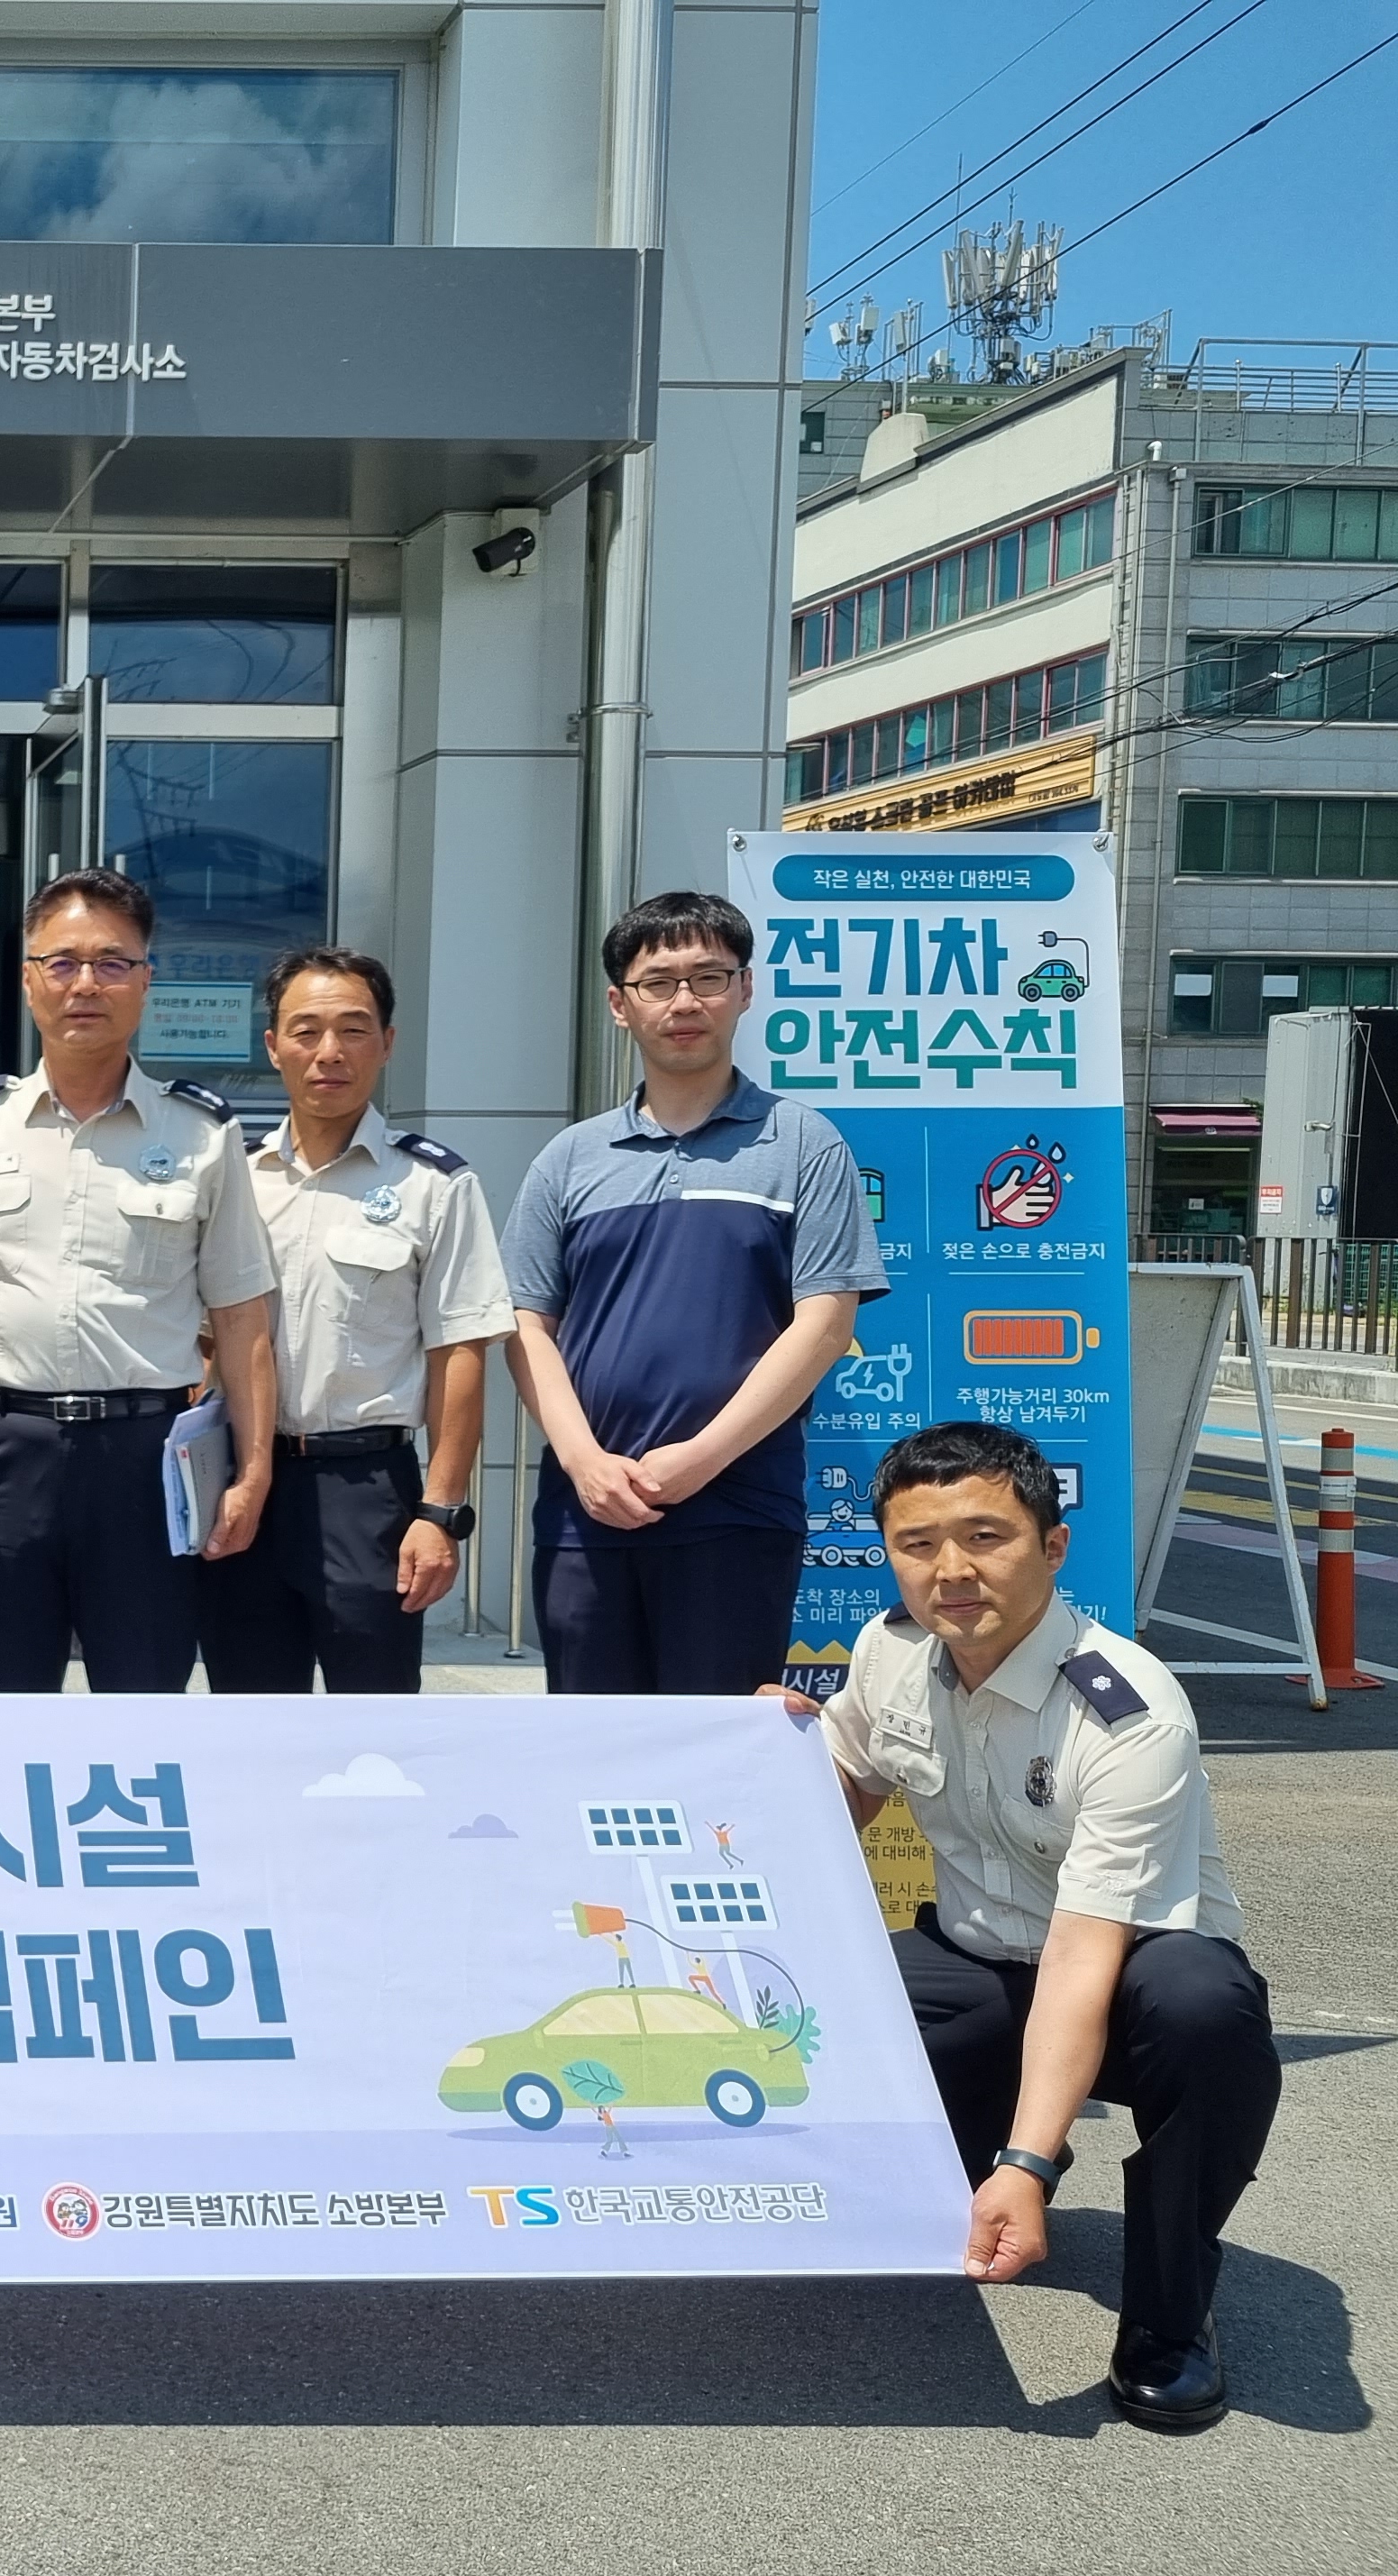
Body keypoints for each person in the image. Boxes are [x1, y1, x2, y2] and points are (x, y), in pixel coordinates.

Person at [774, 1420, 1275, 2432]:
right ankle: (987, 2154)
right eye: (918, 1544)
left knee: (1204, 2013)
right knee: (810, 2005)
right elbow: (848, 1788)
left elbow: (1084, 1956)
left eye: (985, 1537)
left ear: (1052, 1547)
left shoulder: (1128, 1711)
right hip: (978, 1963)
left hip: (1126, 1979)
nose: (951, 1572)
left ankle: (1171, 2317)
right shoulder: (888, 1651)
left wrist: (1031, 2162)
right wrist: (768, 1754)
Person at [503, 891, 884, 1692]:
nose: (684, 1002)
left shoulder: (804, 1144)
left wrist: (699, 1460)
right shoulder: (569, 1159)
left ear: (745, 990)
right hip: (587, 1511)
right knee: (592, 1742)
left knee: (719, 1741)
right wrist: (584, 1462)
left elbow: (824, 1324)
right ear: (620, 1005)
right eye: (658, 982)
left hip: (737, 1505)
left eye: (709, 977)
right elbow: (525, 1323)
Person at [0, 868, 279, 1693]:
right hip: (5, 1453)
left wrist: (253, 1471)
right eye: (62, 962)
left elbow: (241, 1316)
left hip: (147, 1458)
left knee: (145, 1698)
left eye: (113, 963)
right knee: (7, 1702)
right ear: (28, 981)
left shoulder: (201, 1134)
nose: (86, 984)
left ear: (146, 981)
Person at [202, 946, 516, 1694]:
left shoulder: (433, 1184)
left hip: (367, 1488)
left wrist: (441, 1511)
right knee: (245, 1712)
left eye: (353, 1029)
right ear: (272, 1044)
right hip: (241, 1481)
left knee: (374, 1724)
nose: (329, 1052)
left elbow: (459, 1352)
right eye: (306, 1031)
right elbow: (206, 1340)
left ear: (387, 1042)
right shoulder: (234, 1179)